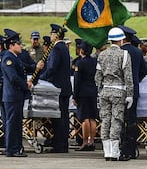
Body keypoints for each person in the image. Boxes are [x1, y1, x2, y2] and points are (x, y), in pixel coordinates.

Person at [95, 27, 133, 161]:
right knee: (116, 120)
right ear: (121, 40)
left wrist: (100, 91)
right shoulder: (124, 55)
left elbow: (97, 76)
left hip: (105, 91)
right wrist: (130, 94)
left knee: (105, 120)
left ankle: (107, 152)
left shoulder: (101, 55)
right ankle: (115, 152)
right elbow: (128, 76)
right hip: (119, 91)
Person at [40, 24, 72, 153]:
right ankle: (63, 144)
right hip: (65, 87)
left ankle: (59, 145)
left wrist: (42, 78)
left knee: (58, 118)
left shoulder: (56, 49)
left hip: (57, 88)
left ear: (56, 35)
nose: (51, 35)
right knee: (63, 117)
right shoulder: (64, 47)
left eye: (52, 34)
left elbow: (52, 68)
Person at [1, 30, 33, 157]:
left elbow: (25, 68)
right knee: (12, 123)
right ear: (11, 45)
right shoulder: (8, 59)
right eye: (18, 44)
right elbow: (13, 77)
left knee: (16, 122)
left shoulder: (15, 58)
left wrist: (37, 66)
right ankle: (12, 149)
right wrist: (26, 85)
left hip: (16, 96)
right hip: (12, 96)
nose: (21, 46)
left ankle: (17, 147)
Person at [118, 25, 147, 160]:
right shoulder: (137, 52)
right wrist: (136, 81)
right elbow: (143, 71)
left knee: (119, 119)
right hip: (133, 91)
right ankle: (131, 147)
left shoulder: (119, 51)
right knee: (131, 120)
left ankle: (122, 148)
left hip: (120, 89)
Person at [72, 41, 98, 152]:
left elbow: (77, 81)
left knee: (84, 118)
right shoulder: (94, 62)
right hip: (93, 91)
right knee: (92, 118)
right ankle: (92, 141)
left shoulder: (80, 63)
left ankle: (84, 142)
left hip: (82, 92)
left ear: (82, 50)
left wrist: (75, 96)